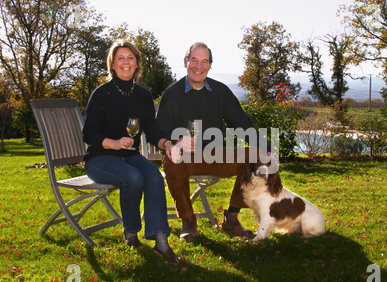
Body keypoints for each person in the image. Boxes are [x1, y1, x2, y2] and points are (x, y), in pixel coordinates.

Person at [156, 42, 272, 242]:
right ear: (186, 62)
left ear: (210, 65)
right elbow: (160, 131)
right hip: (185, 158)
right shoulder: (172, 93)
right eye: (194, 60)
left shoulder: (220, 92)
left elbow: (241, 123)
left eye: (204, 61)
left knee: (260, 158)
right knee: (172, 162)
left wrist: (266, 148)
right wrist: (173, 143)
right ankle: (188, 221)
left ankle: (232, 218)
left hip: (217, 155)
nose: (198, 66)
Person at [83, 39, 179, 261]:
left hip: (130, 156)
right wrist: (114, 143)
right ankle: (131, 231)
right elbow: (89, 134)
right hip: (100, 158)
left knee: (154, 175)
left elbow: (152, 129)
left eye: (130, 58)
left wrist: (166, 144)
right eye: (120, 58)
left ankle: (161, 240)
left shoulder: (143, 95)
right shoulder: (102, 93)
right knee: (133, 177)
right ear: (113, 64)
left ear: (137, 64)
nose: (125, 62)